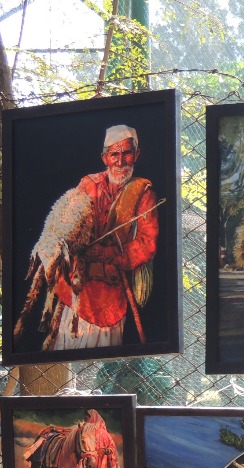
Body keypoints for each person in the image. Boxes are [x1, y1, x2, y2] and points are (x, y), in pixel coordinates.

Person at [21, 124, 160, 350]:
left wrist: (107, 254)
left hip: (111, 291)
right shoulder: (88, 184)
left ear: (136, 155)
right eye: (114, 154)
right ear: (105, 158)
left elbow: (147, 244)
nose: (120, 161)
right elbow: (66, 223)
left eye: (126, 153)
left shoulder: (144, 194)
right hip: (77, 287)